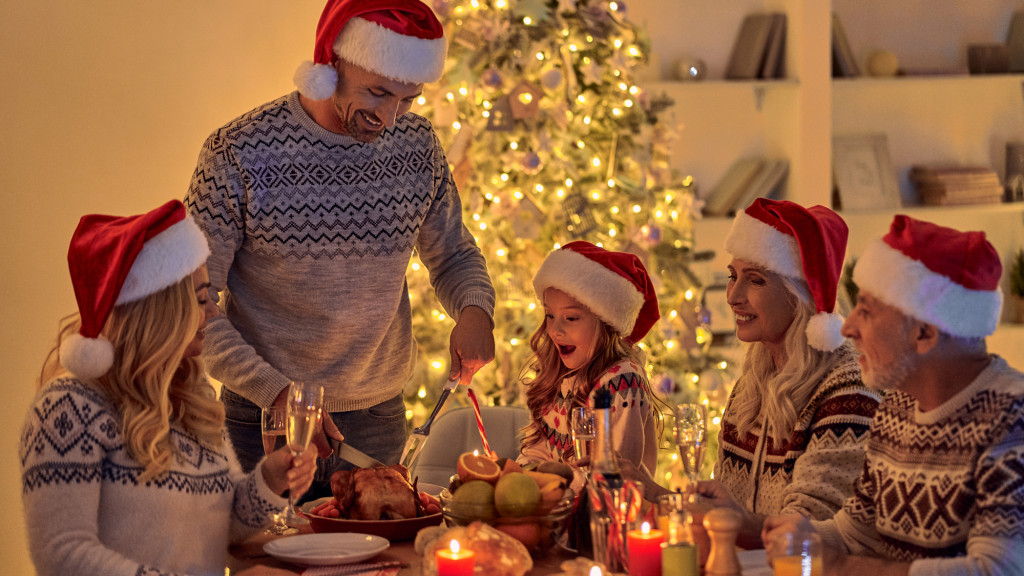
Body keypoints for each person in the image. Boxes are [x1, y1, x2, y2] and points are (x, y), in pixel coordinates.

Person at [185, 0, 496, 498]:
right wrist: (276, 392)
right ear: (331, 63)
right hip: (262, 417)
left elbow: (454, 255)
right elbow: (192, 303)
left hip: (378, 415)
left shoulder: (418, 146)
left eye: (408, 99)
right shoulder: (238, 152)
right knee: (268, 564)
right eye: (377, 92)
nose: (390, 118)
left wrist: (475, 308)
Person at [20, 200, 315, 576]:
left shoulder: (193, 397)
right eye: (200, 299)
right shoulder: (69, 408)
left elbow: (219, 527)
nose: (212, 313)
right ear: (160, 313)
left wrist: (271, 479)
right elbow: (62, 555)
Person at [764, 215, 1024, 575]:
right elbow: (856, 533)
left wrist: (840, 565)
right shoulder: (896, 408)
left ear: (924, 334)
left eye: (867, 311)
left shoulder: (1013, 420)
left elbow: (996, 570)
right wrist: (802, 535)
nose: (849, 326)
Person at [683, 199, 880, 546]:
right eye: (733, 276)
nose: (732, 295)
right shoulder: (754, 379)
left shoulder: (849, 392)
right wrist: (653, 493)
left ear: (800, 295)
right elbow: (728, 504)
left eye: (755, 280)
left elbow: (807, 533)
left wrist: (734, 523)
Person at [517, 241, 662, 491]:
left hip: (610, 523)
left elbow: (615, 479)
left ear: (606, 323)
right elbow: (537, 454)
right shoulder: (559, 374)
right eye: (550, 315)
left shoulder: (623, 382)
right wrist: (518, 477)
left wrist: (547, 483)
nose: (555, 330)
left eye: (571, 318)